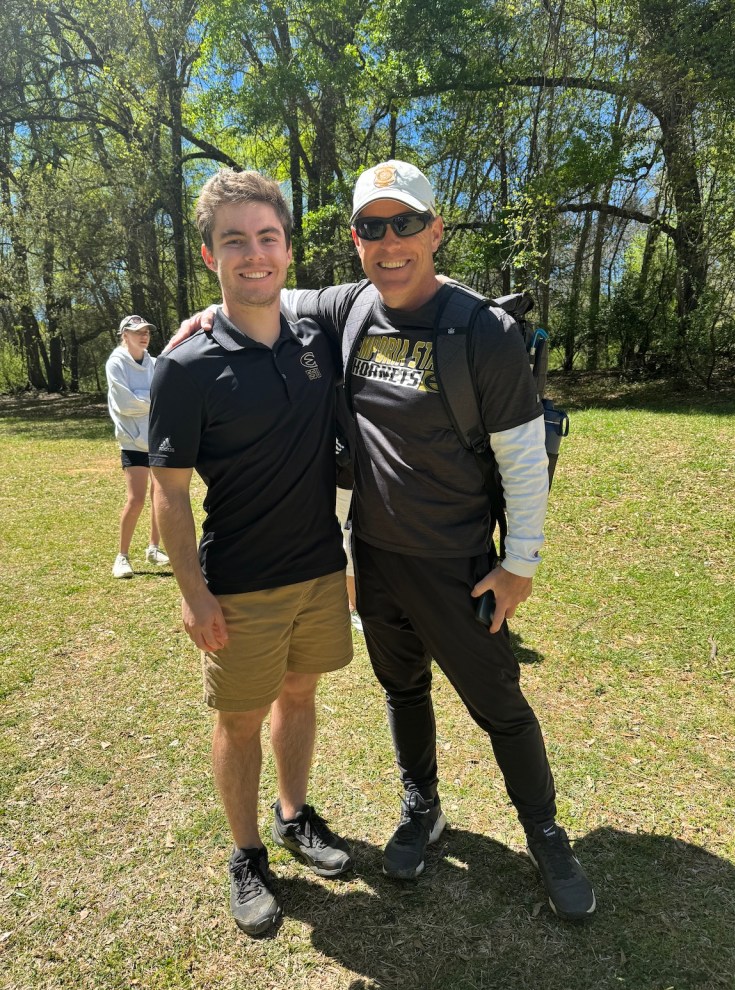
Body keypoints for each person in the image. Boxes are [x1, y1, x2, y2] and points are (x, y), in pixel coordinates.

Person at [173, 160, 596, 921]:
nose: (390, 242)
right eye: (374, 227)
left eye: (406, 224)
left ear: (436, 231)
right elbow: (266, 283)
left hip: (459, 563)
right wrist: (210, 310)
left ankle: (545, 834)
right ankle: (422, 806)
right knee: (404, 690)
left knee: (499, 704)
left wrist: (520, 564)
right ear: (356, 239)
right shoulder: (353, 305)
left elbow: (523, 456)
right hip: (373, 555)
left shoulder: (484, 330)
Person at [148, 169, 354, 938]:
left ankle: (294, 816)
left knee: (300, 695)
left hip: (320, 570)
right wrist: (191, 593)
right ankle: (246, 855)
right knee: (239, 721)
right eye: (234, 241)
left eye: (267, 237)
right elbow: (169, 491)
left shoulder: (318, 340)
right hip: (238, 585)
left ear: (288, 250)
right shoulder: (185, 366)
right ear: (210, 256)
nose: (254, 253)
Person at [105, 315, 171, 578]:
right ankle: (122, 557)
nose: (144, 336)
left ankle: (153, 548)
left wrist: (145, 399)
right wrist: (152, 400)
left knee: (159, 495)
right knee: (136, 499)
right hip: (132, 441)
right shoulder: (116, 362)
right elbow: (125, 404)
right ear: (125, 335)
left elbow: (165, 396)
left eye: (147, 332)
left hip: (156, 437)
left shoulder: (154, 362)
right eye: (137, 332)